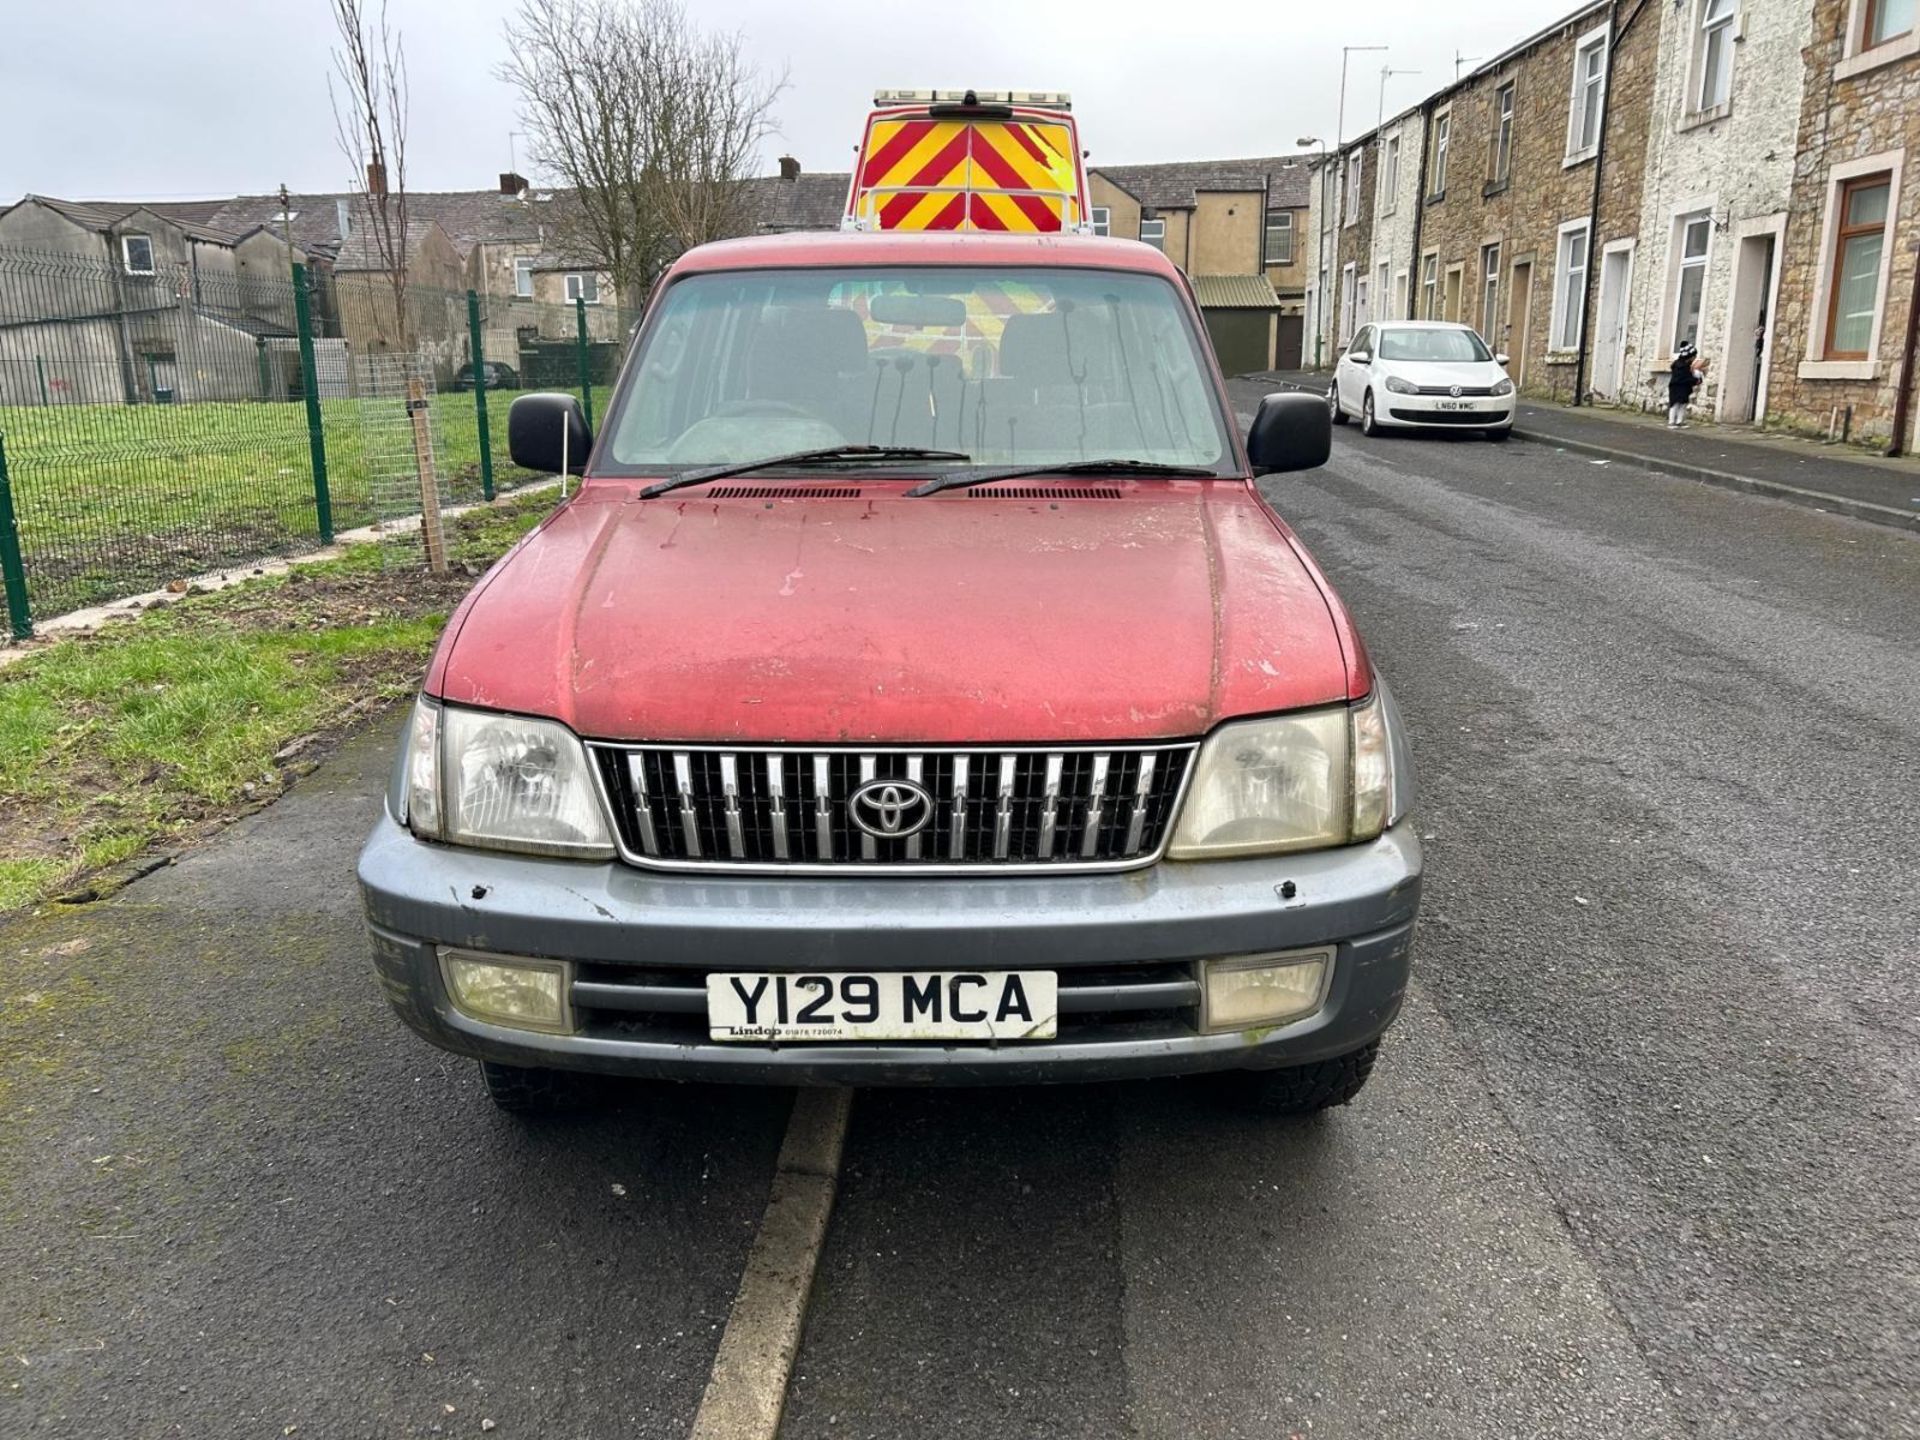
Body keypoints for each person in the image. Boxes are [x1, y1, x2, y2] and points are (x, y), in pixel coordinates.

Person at [1668, 344, 1707, 428]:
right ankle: (1671, 422)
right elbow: (1685, 378)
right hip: (1677, 388)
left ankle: (1679, 421)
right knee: (1675, 404)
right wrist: (1695, 380)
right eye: (1694, 356)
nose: (1695, 358)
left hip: (1683, 388)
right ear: (1689, 356)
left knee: (1683, 404)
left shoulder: (1685, 365)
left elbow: (1688, 377)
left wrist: (1696, 377)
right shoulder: (1681, 366)